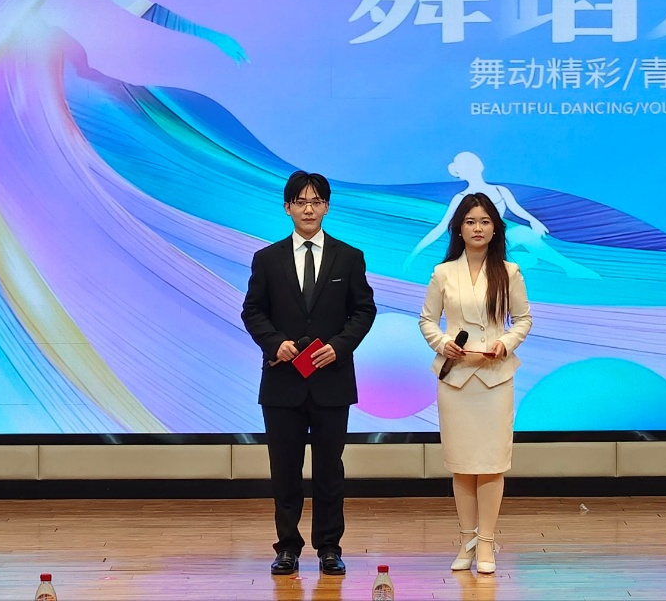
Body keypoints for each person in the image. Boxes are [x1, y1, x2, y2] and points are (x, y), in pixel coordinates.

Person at [241, 170, 377, 577]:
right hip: (282, 382)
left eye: (316, 201)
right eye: (300, 202)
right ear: (287, 207)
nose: (308, 209)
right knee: (284, 471)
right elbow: (252, 310)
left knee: (329, 471)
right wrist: (274, 343)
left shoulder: (348, 257)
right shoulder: (267, 259)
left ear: (327, 207)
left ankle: (329, 548)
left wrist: (339, 346)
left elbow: (363, 310)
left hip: (331, 382)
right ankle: (287, 547)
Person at [418, 192, 533, 575]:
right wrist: (442, 343)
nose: (478, 228)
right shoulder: (443, 273)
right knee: (463, 464)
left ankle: (486, 543)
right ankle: (466, 541)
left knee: (491, 463)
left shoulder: (509, 272)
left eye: (484, 221)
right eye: (470, 222)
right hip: (456, 380)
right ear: (459, 228)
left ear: (495, 228)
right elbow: (427, 320)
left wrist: (505, 343)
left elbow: (523, 319)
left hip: (495, 378)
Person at [405, 151, 597, 279]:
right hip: (479, 247)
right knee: (525, 254)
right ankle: (510, 265)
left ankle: (569, 268)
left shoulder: (499, 190)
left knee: (525, 236)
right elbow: (441, 227)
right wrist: (412, 255)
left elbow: (516, 209)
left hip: (499, 242)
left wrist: (534, 221)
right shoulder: (461, 198)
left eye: (472, 163)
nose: (471, 167)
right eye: (465, 166)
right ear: (460, 173)